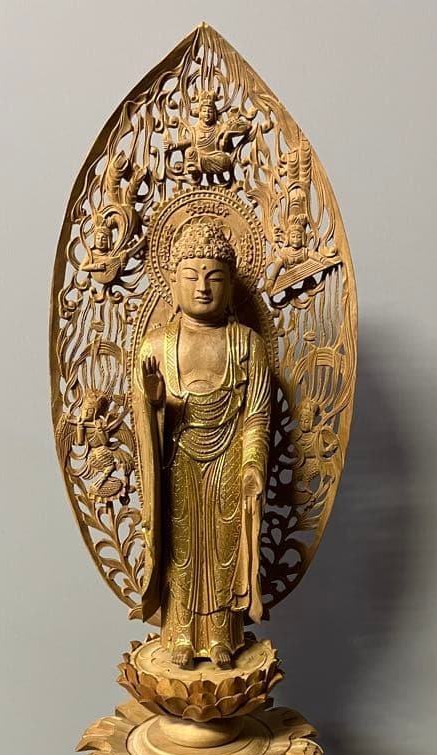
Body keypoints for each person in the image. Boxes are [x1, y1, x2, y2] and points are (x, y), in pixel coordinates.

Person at [132, 218, 270, 669]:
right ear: (172, 283)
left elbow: (257, 414)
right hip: (179, 464)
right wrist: (155, 402)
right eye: (191, 276)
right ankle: (180, 634)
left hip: (230, 461)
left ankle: (222, 635)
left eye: (214, 277)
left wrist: (252, 465)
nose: (203, 288)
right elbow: (144, 424)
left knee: (225, 549)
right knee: (183, 551)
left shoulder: (247, 345)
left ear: (230, 284)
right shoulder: (155, 346)